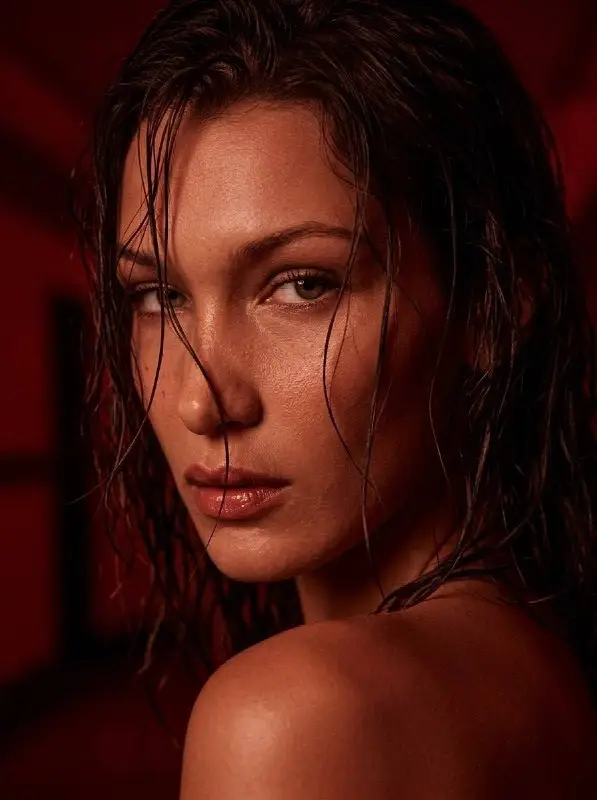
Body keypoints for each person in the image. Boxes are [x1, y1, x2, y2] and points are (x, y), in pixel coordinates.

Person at [79, 0, 597, 796]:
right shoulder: (535, 656)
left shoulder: (291, 721)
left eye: (303, 284)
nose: (201, 400)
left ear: (492, 307)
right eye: (158, 296)